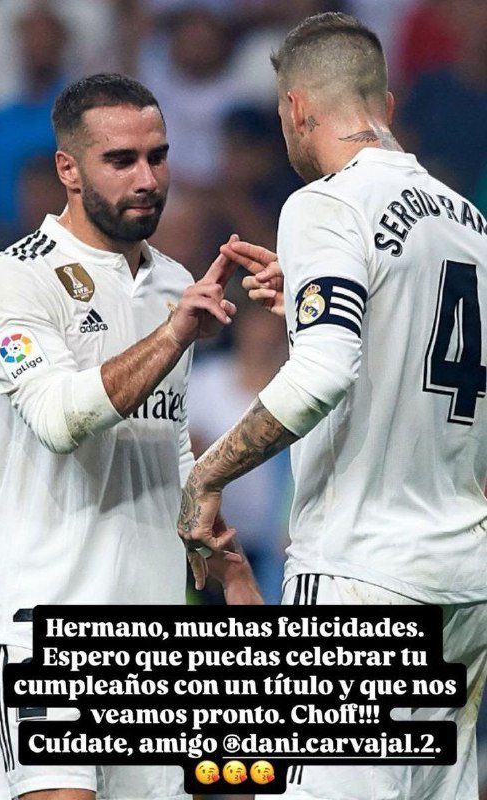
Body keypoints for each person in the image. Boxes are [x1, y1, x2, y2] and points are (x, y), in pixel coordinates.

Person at [177, 12, 487, 800]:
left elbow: (322, 374)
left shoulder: (325, 204)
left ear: (295, 108)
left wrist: (206, 476)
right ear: (384, 102)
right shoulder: (469, 224)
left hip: (363, 575)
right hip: (463, 579)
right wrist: (318, 293)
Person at [0, 72, 262, 800]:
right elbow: (58, 420)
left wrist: (224, 561)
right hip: (42, 623)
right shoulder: (13, 282)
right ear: (68, 169)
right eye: (121, 160)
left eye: (158, 156)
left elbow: (169, 443)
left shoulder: (176, 284)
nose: (147, 179)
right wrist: (172, 336)